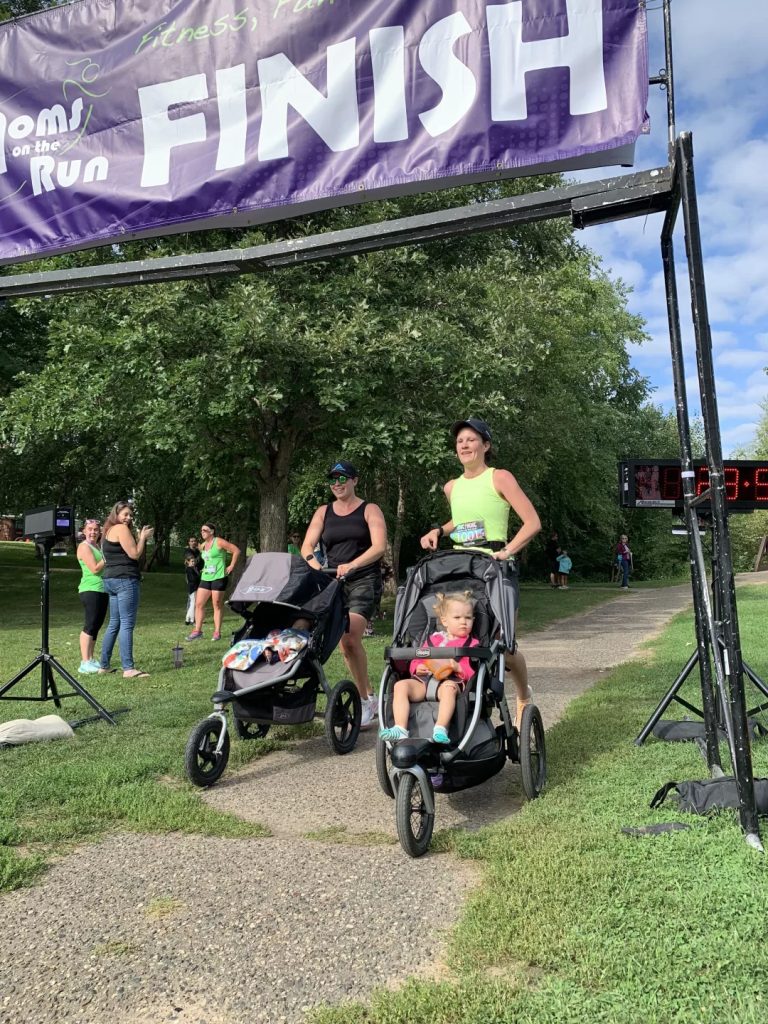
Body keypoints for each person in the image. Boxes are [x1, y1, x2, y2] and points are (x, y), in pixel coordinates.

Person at [420, 418, 541, 728]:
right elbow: (461, 521)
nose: (464, 445)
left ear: (485, 446)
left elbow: (532, 522)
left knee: (504, 647)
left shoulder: (499, 477)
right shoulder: (451, 487)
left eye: (471, 439)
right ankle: (465, 705)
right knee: (459, 639)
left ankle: (523, 695)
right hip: (460, 570)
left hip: (495, 568)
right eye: (460, 440)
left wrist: (508, 550)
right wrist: (438, 530)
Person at [301, 459, 387, 729]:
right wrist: (314, 564)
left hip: (364, 579)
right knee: (332, 640)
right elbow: (307, 545)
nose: (337, 484)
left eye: (342, 478)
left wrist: (353, 565)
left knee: (349, 638)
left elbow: (379, 547)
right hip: (332, 580)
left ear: (354, 480)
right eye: (332, 479)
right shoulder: (323, 512)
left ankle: (363, 701)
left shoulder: (369, 509)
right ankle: (369, 694)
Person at [380, 591, 479, 744]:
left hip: (450, 681)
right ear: (444, 621)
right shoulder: (433, 639)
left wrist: (459, 667)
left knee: (449, 689)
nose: (463, 622)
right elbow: (418, 658)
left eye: (468, 618)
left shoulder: (472, 644)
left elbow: (474, 671)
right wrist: (417, 667)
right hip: (424, 681)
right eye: (457, 618)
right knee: (400, 686)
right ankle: (400, 728)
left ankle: (440, 728)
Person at [98, 501, 154, 678]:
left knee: (114, 623)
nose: (128, 518)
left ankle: (104, 666)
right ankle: (128, 668)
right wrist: (143, 538)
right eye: (125, 514)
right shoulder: (121, 529)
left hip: (110, 580)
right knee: (127, 623)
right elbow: (134, 554)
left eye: (131, 515)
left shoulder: (107, 531)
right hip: (125, 580)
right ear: (116, 514)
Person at [186, 524, 241, 641]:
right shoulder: (203, 545)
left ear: (212, 531)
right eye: (201, 530)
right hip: (206, 577)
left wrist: (231, 565)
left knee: (216, 604)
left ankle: (217, 632)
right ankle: (197, 631)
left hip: (219, 577)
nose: (202, 532)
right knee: (199, 604)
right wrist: (199, 566)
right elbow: (204, 559)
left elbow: (236, 550)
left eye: (205, 530)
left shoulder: (219, 542)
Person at [76, 518, 108, 674]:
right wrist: (107, 558)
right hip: (90, 589)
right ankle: (84, 662)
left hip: (102, 590)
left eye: (96, 529)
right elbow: (95, 568)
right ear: (84, 531)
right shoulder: (84, 547)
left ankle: (91, 658)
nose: (93, 532)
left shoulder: (97, 546)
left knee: (96, 625)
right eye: (90, 529)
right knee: (90, 625)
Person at [184, 555, 201, 625]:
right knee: (193, 604)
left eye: (194, 561)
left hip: (194, 587)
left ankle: (188, 619)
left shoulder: (193, 569)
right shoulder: (189, 569)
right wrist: (198, 576)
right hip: (193, 588)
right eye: (192, 561)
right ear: (188, 562)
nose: (193, 563)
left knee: (193, 603)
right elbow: (192, 579)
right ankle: (191, 620)